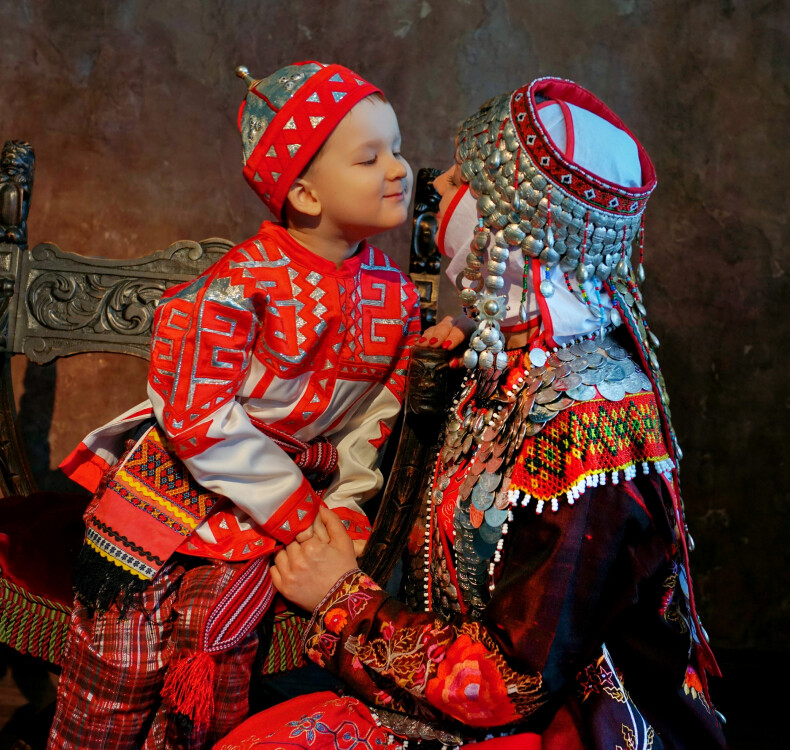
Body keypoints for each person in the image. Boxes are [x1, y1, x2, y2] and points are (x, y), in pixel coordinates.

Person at [215, 76, 729, 749]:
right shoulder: (510, 358)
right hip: (447, 692)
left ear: (516, 219)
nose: (437, 193)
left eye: (461, 181)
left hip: (553, 727)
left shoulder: (587, 429)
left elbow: (509, 682)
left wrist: (341, 596)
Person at [47, 60, 421, 750]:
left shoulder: (397, 298)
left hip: (287, 494)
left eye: (396, 148)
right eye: (370, 157)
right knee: (123, 646)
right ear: (304, 194)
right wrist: (299, 510)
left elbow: (376, 421)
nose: (398, 169)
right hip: (181, 478)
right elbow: (195, 415)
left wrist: (341, 509)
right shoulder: (239, 285)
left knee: (212, 636)